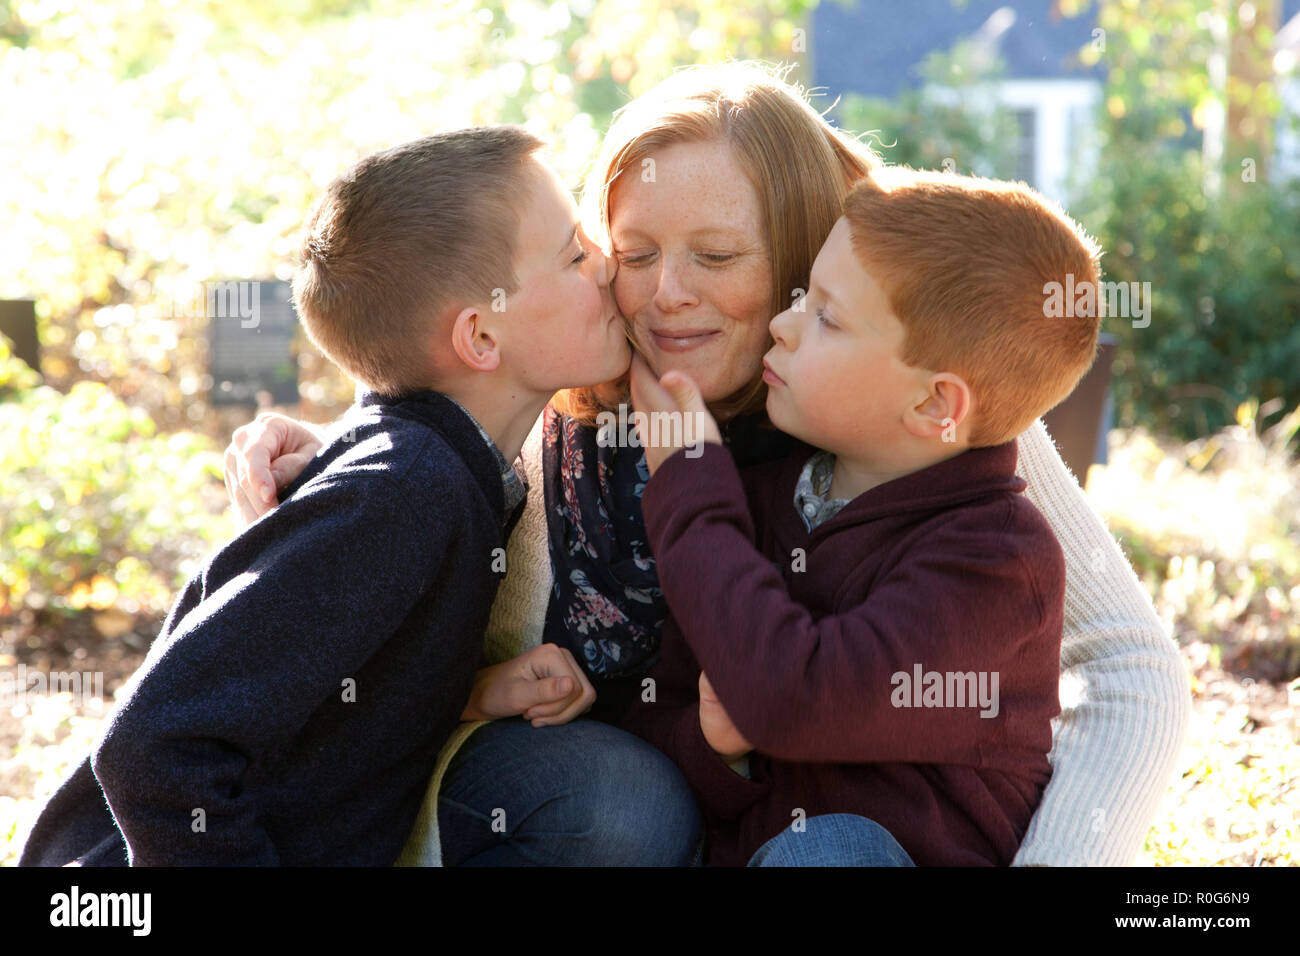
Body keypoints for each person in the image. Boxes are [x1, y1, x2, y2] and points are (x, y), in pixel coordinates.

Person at [225, 62, 1189, 867]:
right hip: (563, 795)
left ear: (805, 266)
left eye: (719, 255)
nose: (668, 297)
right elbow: (452, 371)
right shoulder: (584, 365)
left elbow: (1133, 669)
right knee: (623, 805)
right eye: (634, 253)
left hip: (805, 830)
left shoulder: (912, 406)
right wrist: (340, 451)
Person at [17, 126, 700, 865]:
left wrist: (465, 693)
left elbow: (330, 697)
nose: (606, 266)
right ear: (479, 338)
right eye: (574, 254)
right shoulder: (403, 489)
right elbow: (154, 747)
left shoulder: (441, 469)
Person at [621, 167, 1105, 866]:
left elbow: (797, 697)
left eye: (827, 316)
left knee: (826, 852)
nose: (783, 328)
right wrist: (714, 747)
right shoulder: (759, 499)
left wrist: (690, 490)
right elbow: (659, 704)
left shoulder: (998, 560)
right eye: (801, 298)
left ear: (936, 406)